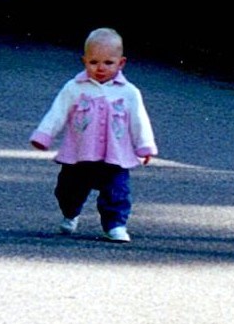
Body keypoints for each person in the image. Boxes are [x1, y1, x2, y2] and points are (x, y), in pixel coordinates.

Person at [30, 27, 157, 243]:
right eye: (93, 62)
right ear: (84, 61)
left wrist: (144, 146)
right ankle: (70, 213)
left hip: (115, 155)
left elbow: (139, 120)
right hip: (79, 155)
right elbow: (57, 113)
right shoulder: (74, 88)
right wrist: (44, 136)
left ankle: (116, 225)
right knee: (68, 191)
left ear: (121, 63)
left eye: (108, 63)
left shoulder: (129, 92)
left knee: (117, 192)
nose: (100, 68)